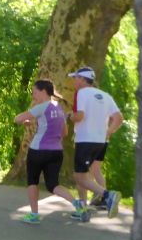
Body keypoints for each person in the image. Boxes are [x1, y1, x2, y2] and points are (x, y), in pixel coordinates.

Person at [15, 80, 90, 224]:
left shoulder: (41, 107)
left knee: (33, 181)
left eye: (35, 92)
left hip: (38, 150)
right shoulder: (59, 108)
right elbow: (64, 132)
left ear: (43, 91)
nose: (34, 96)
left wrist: (26, 121)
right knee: (53, 184)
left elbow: (18, 118)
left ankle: (34, 215)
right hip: (56, 151)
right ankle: (76, 203)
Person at [66, 67, 124, 218]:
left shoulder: (81, 93)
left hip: (85, 140)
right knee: (85, 174)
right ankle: (83, 209)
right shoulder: (105, 95)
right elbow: (118, 118)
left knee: (80, 177)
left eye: (75, 78)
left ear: (82, 79)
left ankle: (107, 196)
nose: (74, 81)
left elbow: (79, 116)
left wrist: (70, 116)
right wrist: (108, 132)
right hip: (100, 142)